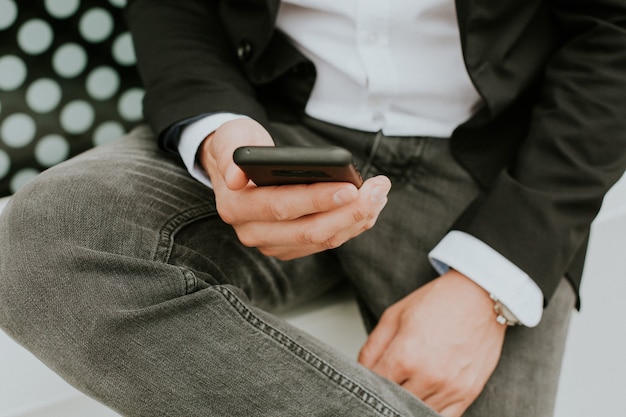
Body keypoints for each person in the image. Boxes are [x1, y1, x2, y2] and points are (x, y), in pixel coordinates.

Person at [1, 0, 625, 416]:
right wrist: (223, 138)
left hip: (499, 174)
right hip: (274, 120)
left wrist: (490, 280)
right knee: (48, 243)